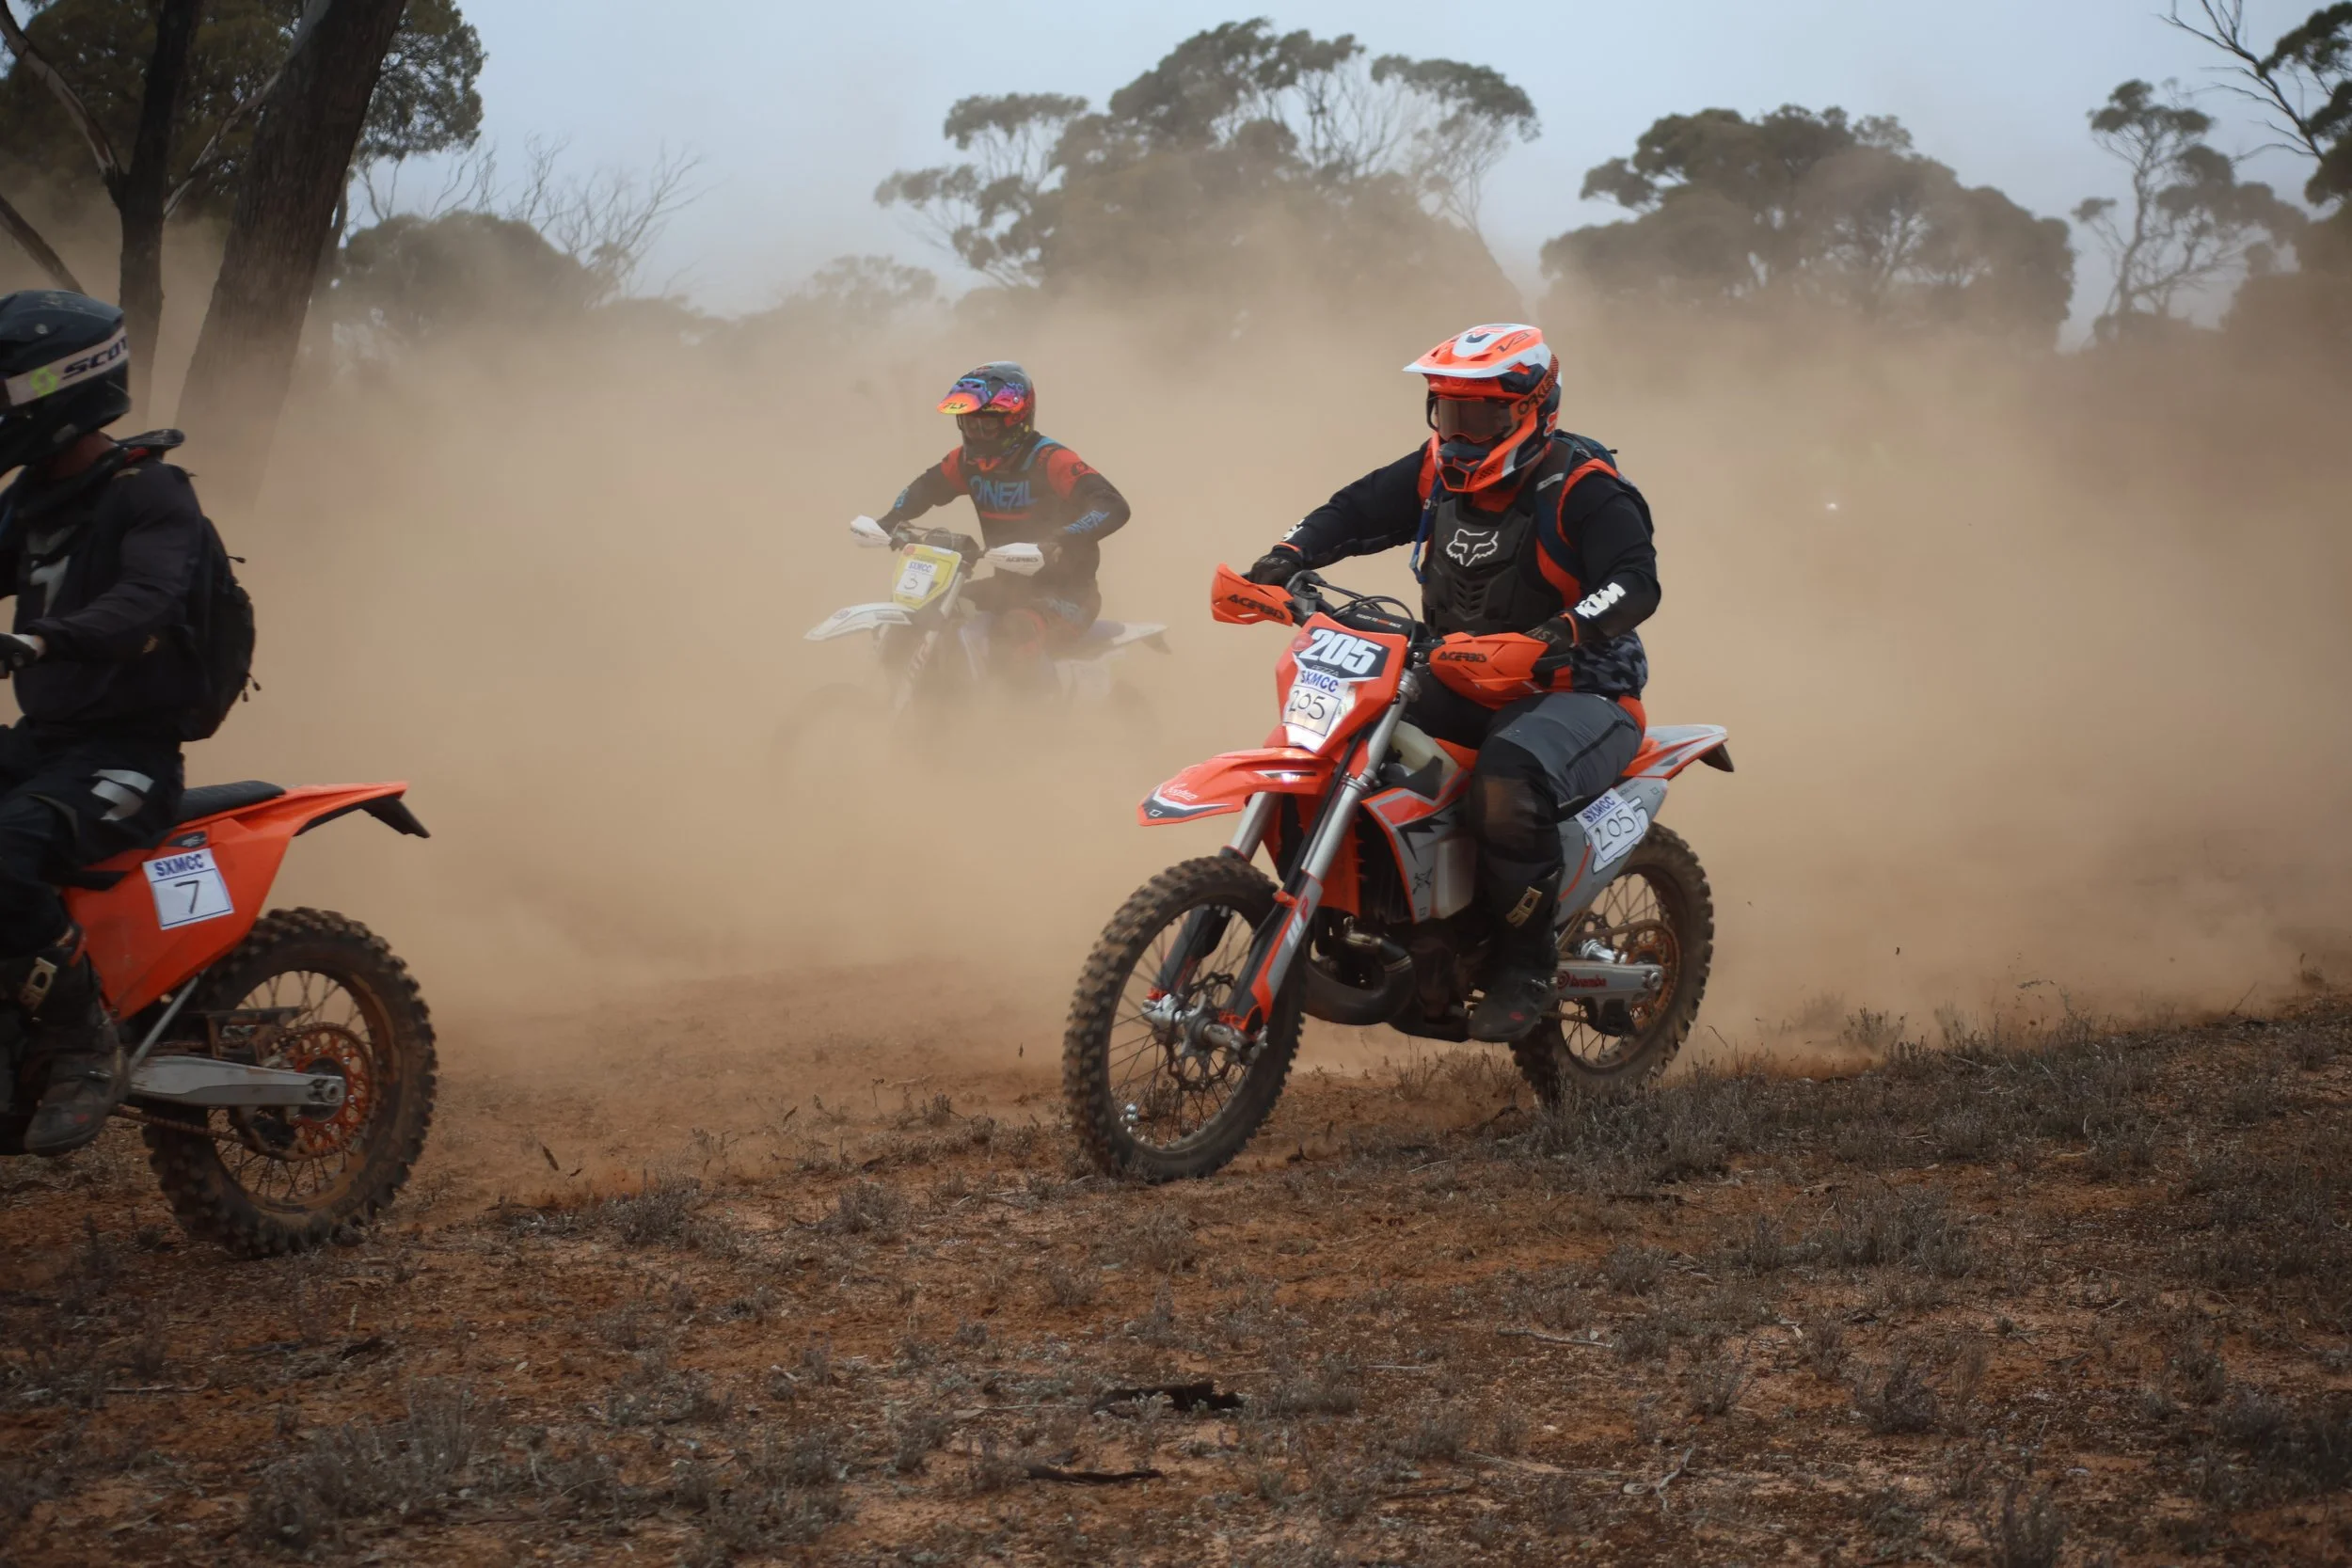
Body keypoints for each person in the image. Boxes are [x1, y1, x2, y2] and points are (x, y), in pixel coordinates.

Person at [1242, 324, 1661, 1043]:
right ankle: (1362, 925)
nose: (1462, 433)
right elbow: (1356, 509)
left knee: (1506, 776)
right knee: (1332, 740)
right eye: (1449, 412)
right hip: (1458, 670)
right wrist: (1287, 554)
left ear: (1532, 409)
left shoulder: (1583, 486)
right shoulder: (1436, 468)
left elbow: (1634, 583)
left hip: (1580, 688)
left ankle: (1525, 964)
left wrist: (1555, 634)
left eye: (1483, 415)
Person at [0, 290, 212, 1155]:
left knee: (4, 848)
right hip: (42, 749)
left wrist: (39, 639)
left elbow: (144, 604)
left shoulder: (151, 492)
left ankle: (83, 1041)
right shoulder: (26, 500)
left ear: (57, 390)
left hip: (127, 759)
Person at [874, 362, 1130, 685]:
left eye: (987, 427)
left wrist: (1060, 539)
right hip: (1006, 588)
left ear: (1016, 421)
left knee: (1013, 634)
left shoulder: (1048, 460)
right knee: (929, 616)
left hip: (1069, 595)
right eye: (969, 424)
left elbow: (1112, 505)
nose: (976, 435)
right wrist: (892, 518)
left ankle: (1029, 728)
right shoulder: (966, 462)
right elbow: (925, 488)